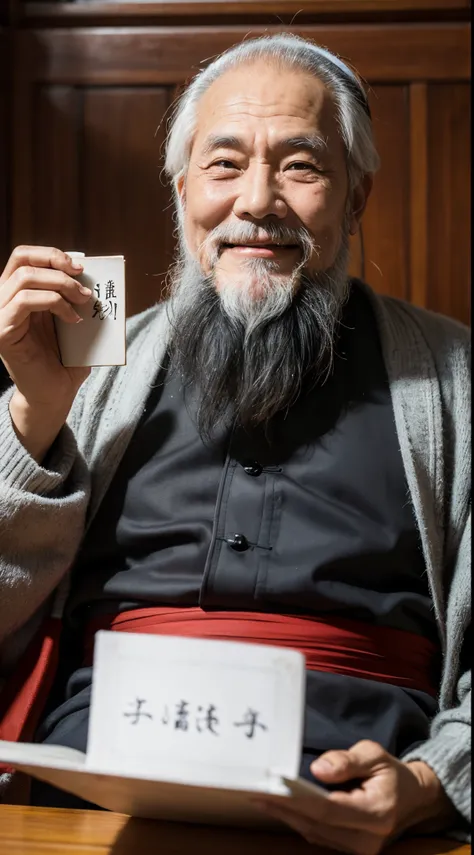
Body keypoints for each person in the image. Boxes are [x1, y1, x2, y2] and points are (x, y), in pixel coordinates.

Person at [0, 33, 470, 853]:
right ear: (183, 192)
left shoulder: (457, 382)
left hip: (357, 796)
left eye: (301, 165)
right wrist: (33, 417)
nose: (258, 199)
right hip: (92, 793)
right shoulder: (82, 371)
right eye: (224, 165)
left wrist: (434, 782)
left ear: (357, 197)